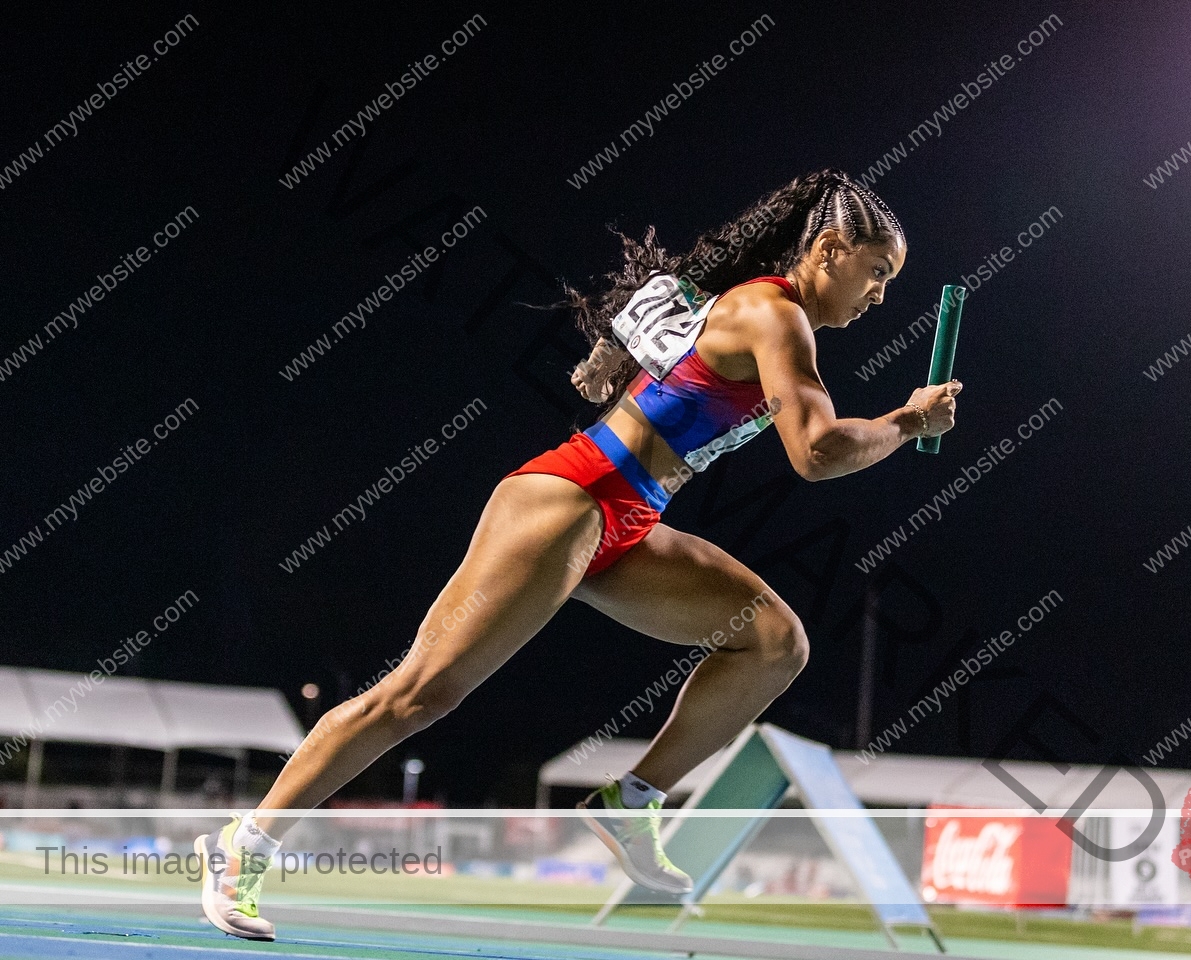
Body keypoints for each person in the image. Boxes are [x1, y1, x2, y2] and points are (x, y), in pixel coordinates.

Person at [195, 169, 961, 940]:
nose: (880, 296)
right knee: (418, 696)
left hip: (628, 518)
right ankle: (244, 845)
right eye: (877, 273)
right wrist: (906, 422)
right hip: (569, 501)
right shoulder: (774, 313)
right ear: (829, 249)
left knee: (773, 641)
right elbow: (818, 451)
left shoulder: (761, 313)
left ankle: (632, 804)